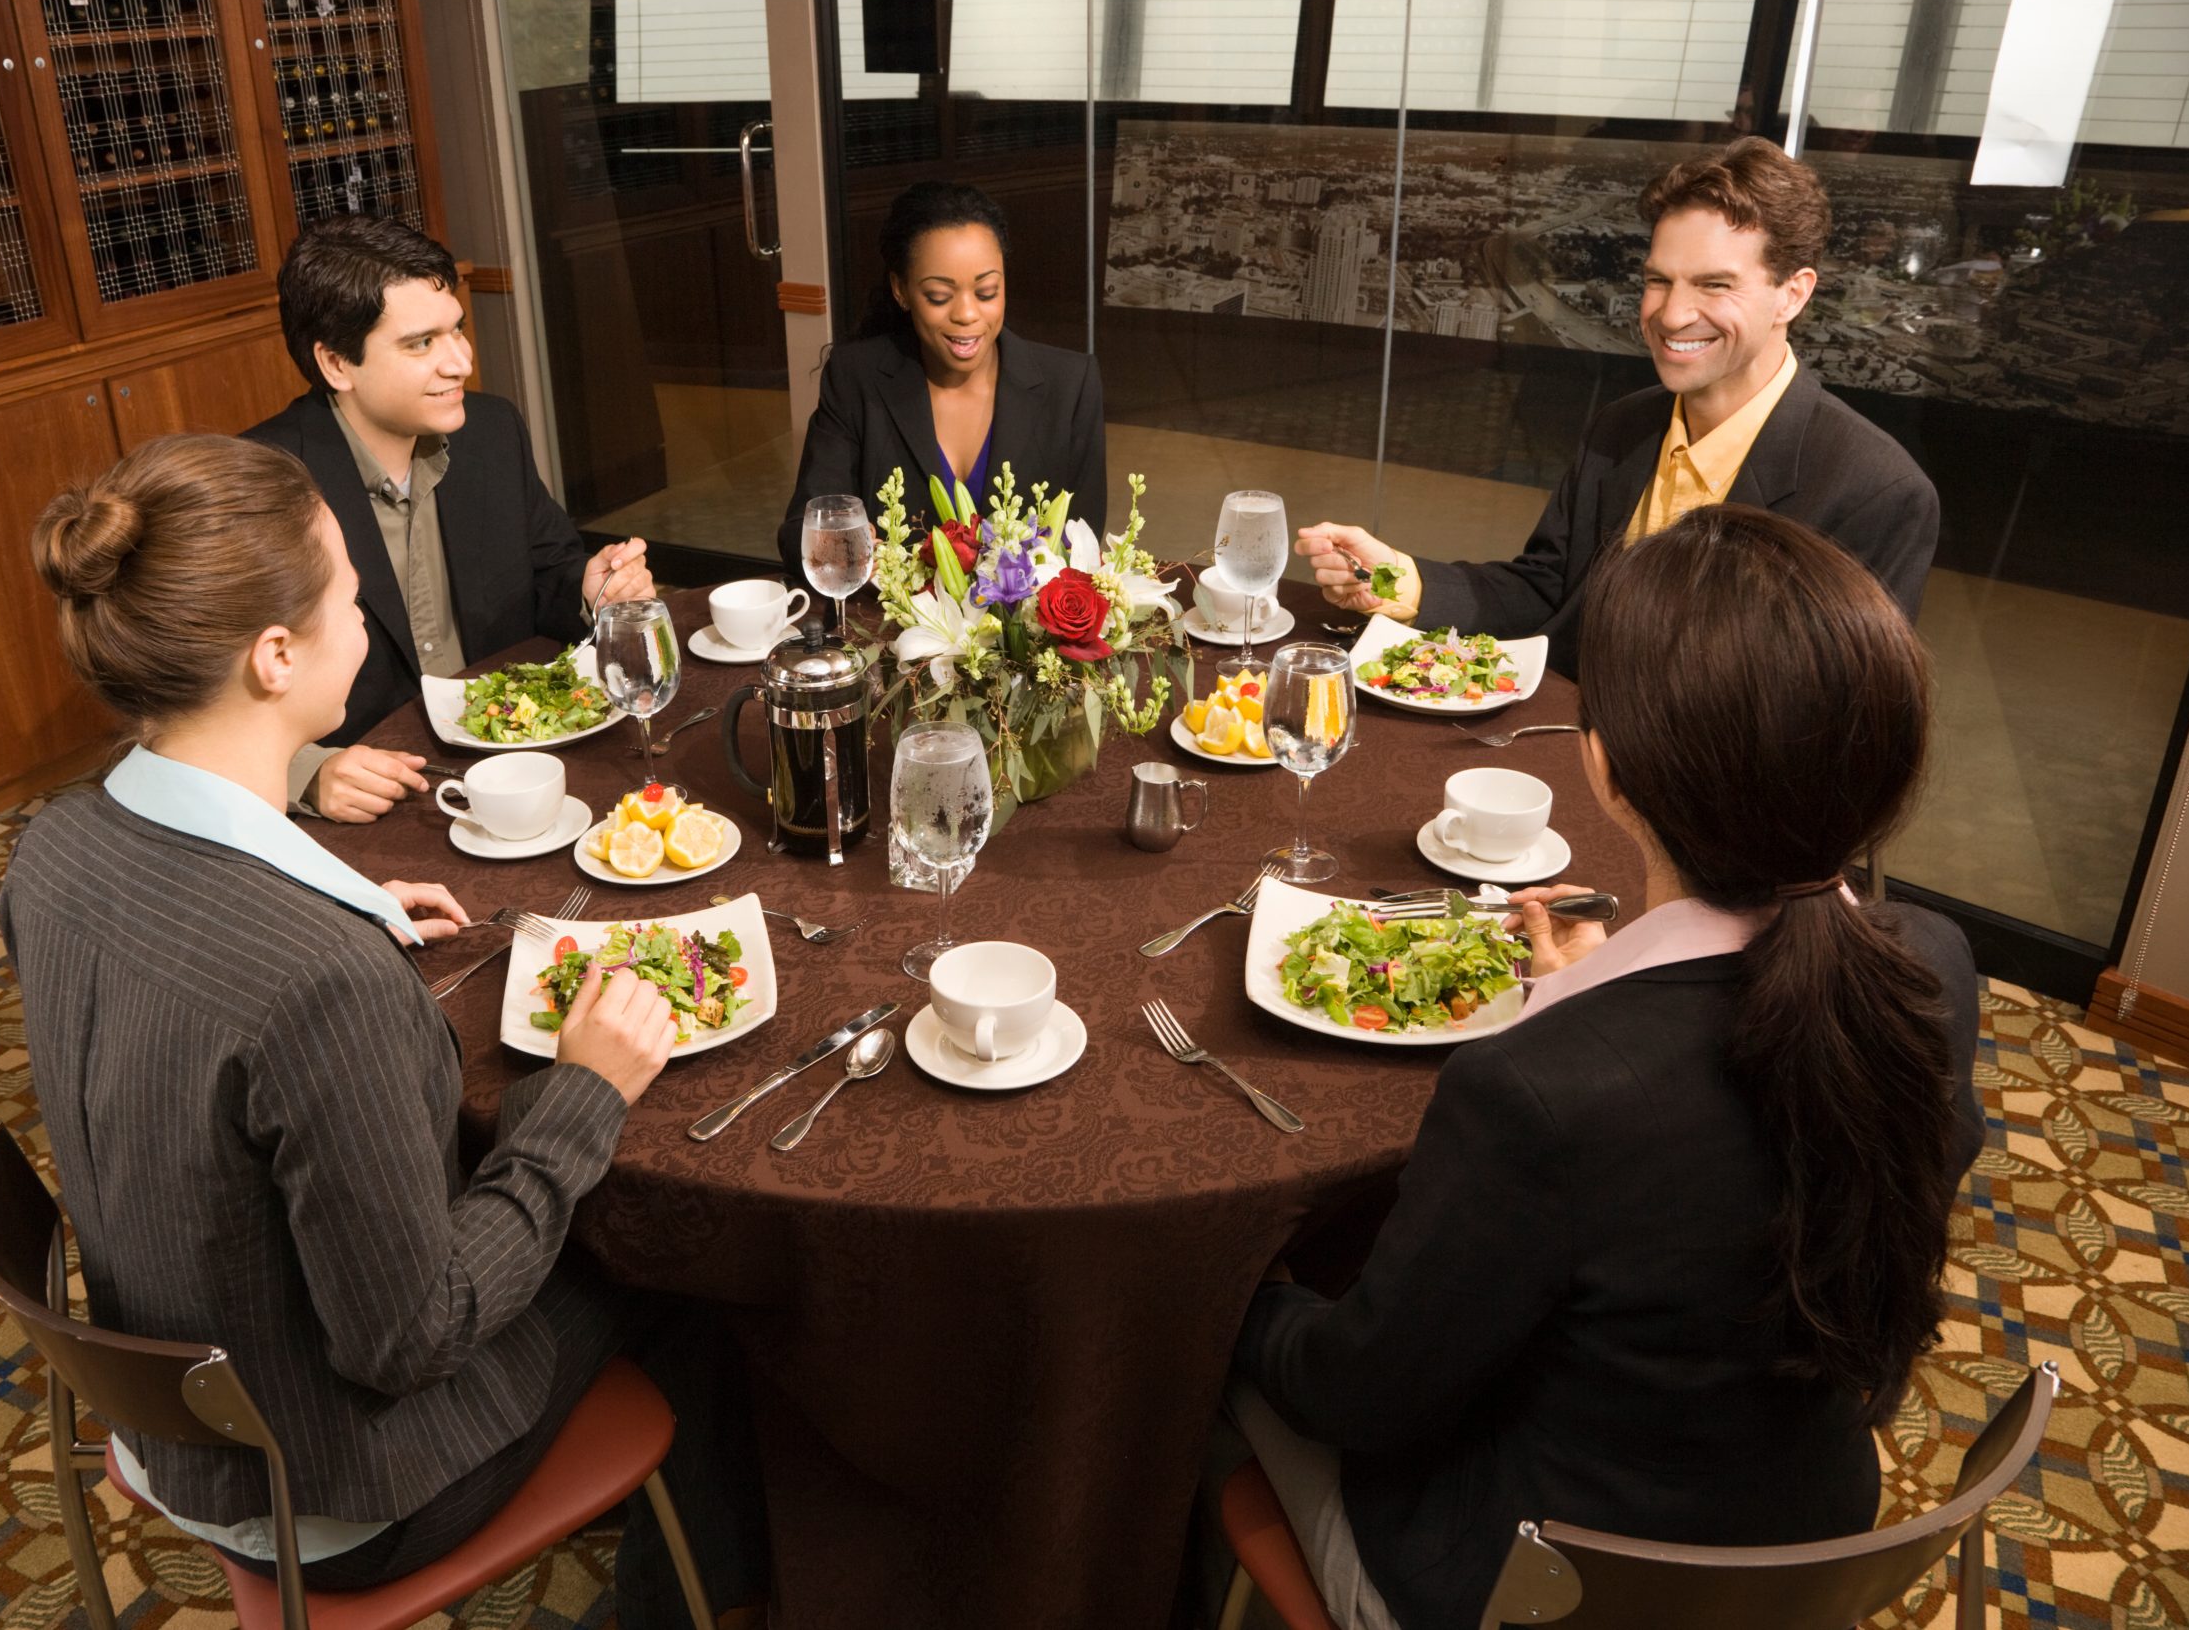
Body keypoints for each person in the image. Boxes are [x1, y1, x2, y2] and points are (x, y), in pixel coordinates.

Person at [0, 435, 760, 1620]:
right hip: (338, 1488)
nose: (368, 620)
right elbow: (414, 1335)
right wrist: (585, 1090)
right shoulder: (318, 986)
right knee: (705, 1271)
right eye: (352, 598)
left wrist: (345, 889)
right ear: (275, 656)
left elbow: (189, 970)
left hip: (177, 1414)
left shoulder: (51, 848)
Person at [1226, 504, 1982, 1630]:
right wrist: (1598, 984)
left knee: (1206, 1376)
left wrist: (1240, 1303)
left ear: (1606, 771)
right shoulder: (1933, 966)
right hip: (1807, 1544)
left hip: (1536, 1592)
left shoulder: (1539, 1092)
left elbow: (1361, 1392)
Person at [1296, 137, 1938, 676]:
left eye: (1715, 285)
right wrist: (1396, 581)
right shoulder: (1624, 425)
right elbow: (1549, 591)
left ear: (1792, 296)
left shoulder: (1875, 492)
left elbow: (1833, 714)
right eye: (1659, 281)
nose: (1672, 313)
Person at [244, 215, 655, 823]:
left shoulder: (490, 431)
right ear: (336, 364)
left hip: (515, 766)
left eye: (457, 332)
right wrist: (306, 772)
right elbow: (189, 702)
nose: (460, 362)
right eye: (421, 344)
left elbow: (549, 571)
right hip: (371, 802)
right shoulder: (259, 482)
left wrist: (591, 591)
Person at [779, 180, 1107, 581]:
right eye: (938, 296)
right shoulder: (856, 378)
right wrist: (845, 549)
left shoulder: (1070, 385)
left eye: (987, 292)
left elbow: (1083, 552)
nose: (967, 314)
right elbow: (802, 529)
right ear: (901, 290)